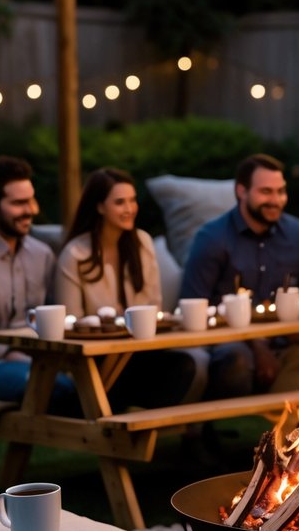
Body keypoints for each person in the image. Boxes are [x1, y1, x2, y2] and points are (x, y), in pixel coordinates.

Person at [55, 167, 203, 409]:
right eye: (120, 202)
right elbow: (70, 322)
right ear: (100, 206)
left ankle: (143, 431)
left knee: (184, 366)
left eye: (133, 200)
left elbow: (153, 305)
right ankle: (110, 419)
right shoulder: (75, 254)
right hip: (97, 359)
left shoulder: (141, 242)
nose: (130, 209)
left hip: (138, 351)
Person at [181, 153, 299, 398]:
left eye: (281, 192)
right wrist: (255, 344)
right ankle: (211, 424)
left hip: (287, 343)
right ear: (241, 191)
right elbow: (194, 306)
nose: (276, 200)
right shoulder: (212, 238)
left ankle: (284, 425)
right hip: (229, 342)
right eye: (266, 192)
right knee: (235, 361)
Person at [0, 156, 78, 411]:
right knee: (60, 389)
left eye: (32, 200)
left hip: (44, 360)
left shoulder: (41, 253)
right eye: (19, 203)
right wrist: (28, 356)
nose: (32, 210)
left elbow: (57, 318)